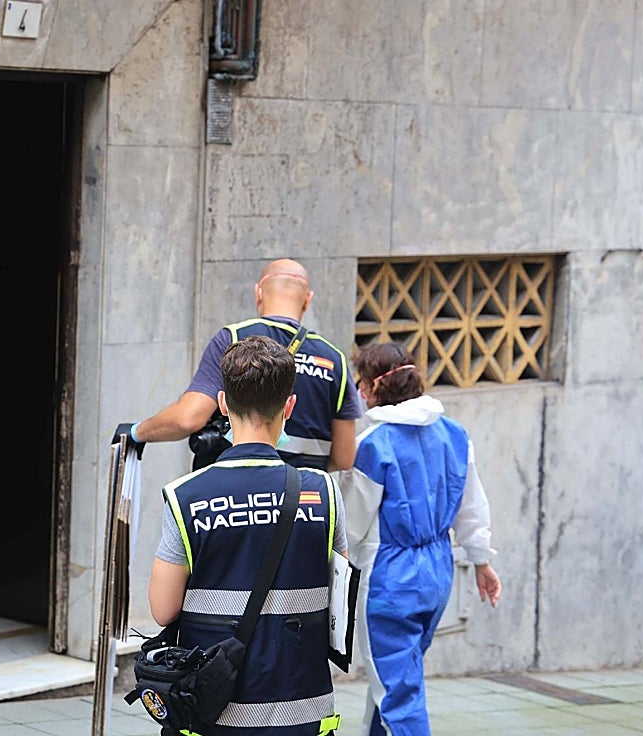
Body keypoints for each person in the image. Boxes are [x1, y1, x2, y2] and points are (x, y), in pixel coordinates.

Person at [148, 334, 347, 736]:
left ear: (222, 403)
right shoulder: (323, 492)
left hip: (212, 714)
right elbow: (338, 605)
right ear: (289, 406)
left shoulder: (186, 495)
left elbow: (163, 611)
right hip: (301, 714)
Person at [337, 341, 502, 736]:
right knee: (400, 679)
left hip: (389, 580)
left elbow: (353, 525)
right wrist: (482, 561)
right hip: (437, 572)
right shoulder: (455, 434)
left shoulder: (374, 446)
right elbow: (472, 505)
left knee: (397, 693)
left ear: (371, 388)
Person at [114, 258, 362, 471]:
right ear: (307, 300)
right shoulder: (334, 359)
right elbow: (344, 458)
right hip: (303, 503)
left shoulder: (233, 339)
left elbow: (188, 418)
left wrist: (137, 432)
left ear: (258, 293)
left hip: (235, 500)